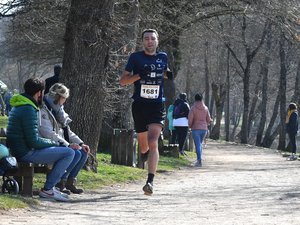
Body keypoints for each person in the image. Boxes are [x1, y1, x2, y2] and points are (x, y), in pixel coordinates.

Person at [119, 28, 173, 195]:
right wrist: (138, 76)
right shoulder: (135, 57)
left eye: (153, 38)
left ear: (157, 41)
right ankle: (145, 154)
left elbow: (166, 74)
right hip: (140, 105)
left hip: (157, 105)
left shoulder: (163, 57)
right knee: (144, 147)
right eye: (146, 39)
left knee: (153, 141)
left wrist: (166, 74)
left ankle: (150, 181)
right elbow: (123, 81)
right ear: (142, 42)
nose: (150, 41)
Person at [6, 77, 74, 201]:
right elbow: (34, 142)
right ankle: (48, 189)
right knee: (69, 153)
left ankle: (50, 188)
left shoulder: (20, 105)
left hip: (18, 151)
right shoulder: (28, 109)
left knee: (66, 151)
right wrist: (55, 143)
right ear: (39, 93)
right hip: (26, 153)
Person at [40, 83, 90, 194]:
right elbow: (48, 133)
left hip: (58, 142)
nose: (64, 101)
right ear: (58, 97)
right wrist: (67, 145)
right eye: (64, 98)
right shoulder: (44, 109)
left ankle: (69, 182)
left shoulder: (58, 111)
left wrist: (81, 143)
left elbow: (67, 131)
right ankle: (59, 183)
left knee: (83, 152)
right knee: (75, 153)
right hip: (48, 143)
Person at [188, 93, 212, 167]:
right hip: (204, 129)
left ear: (195, 99)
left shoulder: (193, 108)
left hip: (196, 129)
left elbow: (190, 119)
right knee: (200, 144)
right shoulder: (206, 108)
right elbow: (208, 119)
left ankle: (199, 160)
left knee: (198, 145)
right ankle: (199, 159)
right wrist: (209, 122)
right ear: (202, 99)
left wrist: (190, 126)